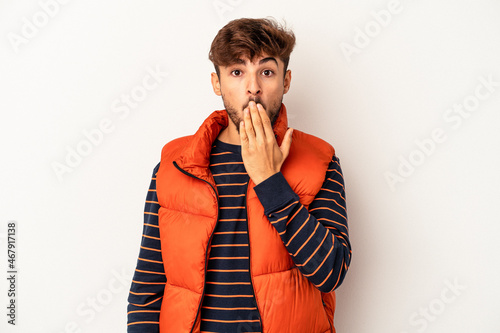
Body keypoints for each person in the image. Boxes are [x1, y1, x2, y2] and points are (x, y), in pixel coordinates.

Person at [127, 17, 351, 333]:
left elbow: (330, 271)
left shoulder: (319, 159)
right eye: (236, 72)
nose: (253, 86)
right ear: (216, 83)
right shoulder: (173, 165)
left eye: (267, 72)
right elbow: (147, 289)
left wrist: (270, 181)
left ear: (286, 81)